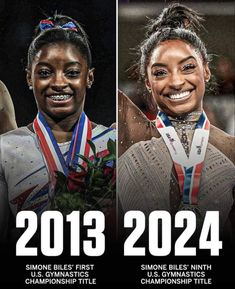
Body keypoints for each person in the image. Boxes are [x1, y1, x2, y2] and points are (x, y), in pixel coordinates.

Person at [118, 3, 235, 240]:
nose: (176, 82)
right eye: (160, 72)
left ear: (206, 71)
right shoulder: (131, 133)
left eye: (188, 67)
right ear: (147, 82)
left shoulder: (231, 150)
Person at [0, 14, 116, 240]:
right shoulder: (6, 148)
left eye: (72, 73)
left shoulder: (113, 142)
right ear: (29, 78)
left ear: (89, 77)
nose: (59, 83)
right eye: (45, 73)